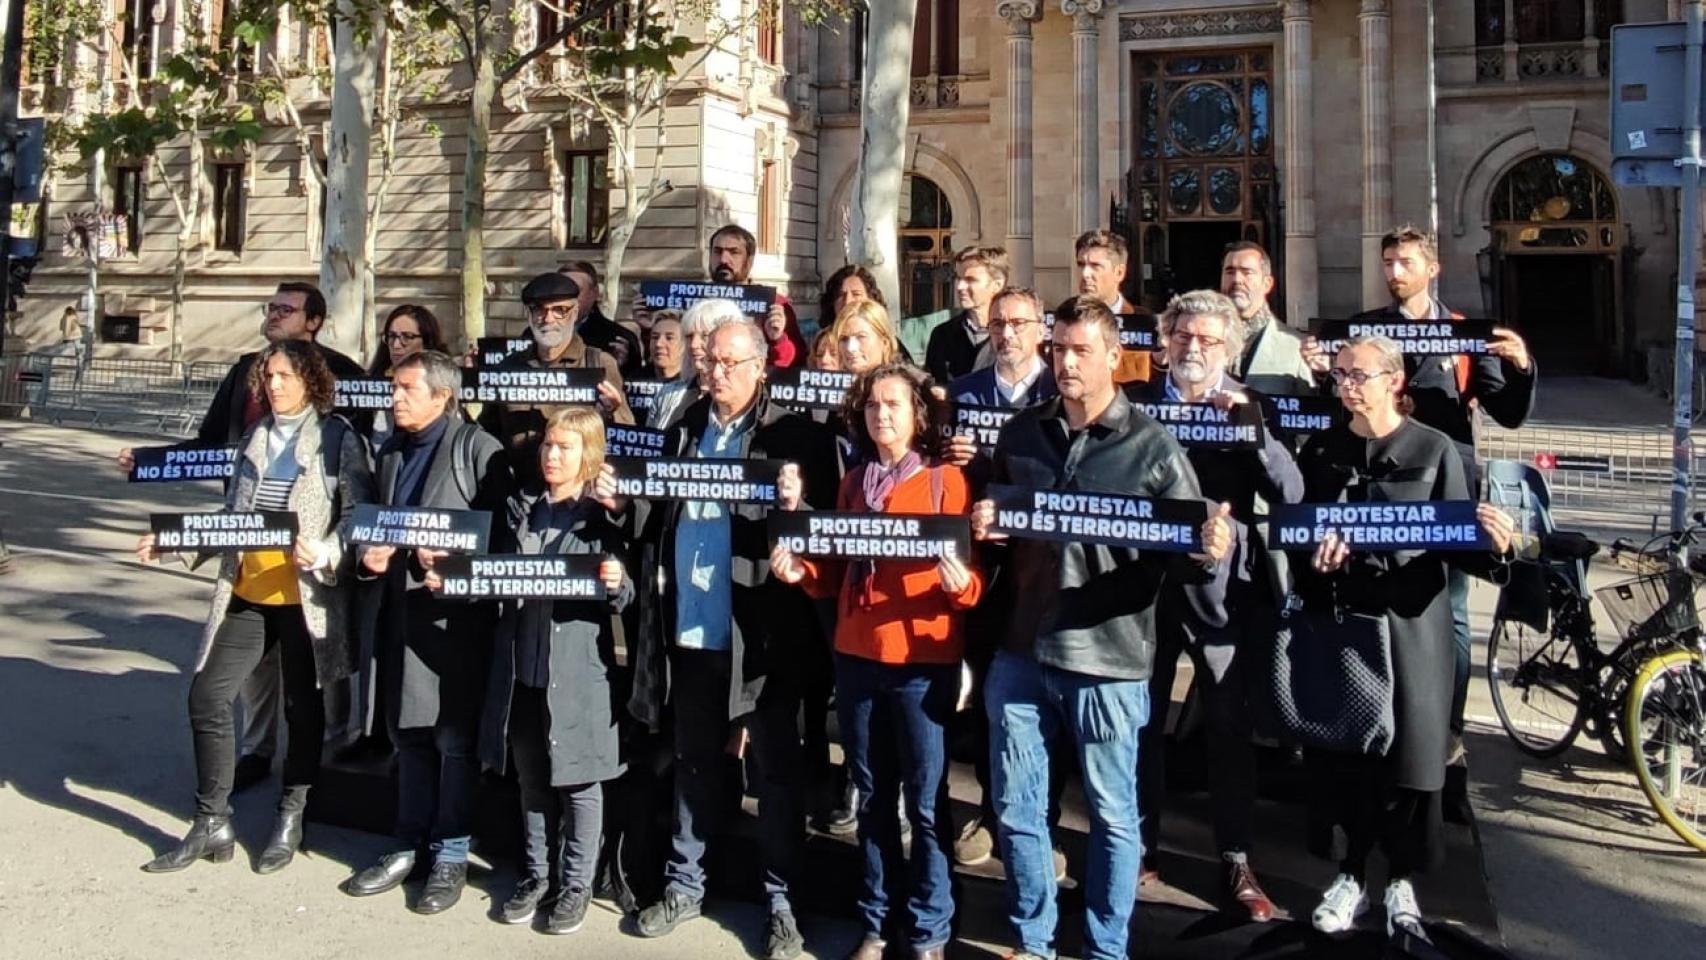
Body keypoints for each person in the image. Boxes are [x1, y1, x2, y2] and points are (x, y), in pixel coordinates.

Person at [969, 297, 1232, 960]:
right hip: (1023, 649)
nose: (1065, 362)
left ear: (1115, 356)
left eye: (1080, 350)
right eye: (1057, 348)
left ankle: (1106, 946)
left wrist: (1211, 545)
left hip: (1109, 659)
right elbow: (1001, 531)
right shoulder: (1022, 433)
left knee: (1115, 816)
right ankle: (1033, 939)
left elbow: (1191, 550)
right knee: (1019, 811)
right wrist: (987, 531)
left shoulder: (1151, 445)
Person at [1302, 224, 1535, 822]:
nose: (1395, 271)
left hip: (1445, 483)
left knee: (1447, 617)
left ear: (1432, 268)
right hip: (1379, 484)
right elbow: (1341, 403)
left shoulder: (1461, 336)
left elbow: (1505, 411)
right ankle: (1366, 723)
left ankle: (1444, 736)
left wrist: (1520, 366)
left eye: (1406, 261)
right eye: (1388, 261)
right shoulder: (1366, 331)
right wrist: (1320, 372)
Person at [626, 319, 839, 960]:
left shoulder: (795, 437)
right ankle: (685, 883)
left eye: (728, 363)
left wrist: (797, 512)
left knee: (775, 774)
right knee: (695, 761)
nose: (715, 374)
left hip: (762, 636)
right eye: (710, 363)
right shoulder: (686, 429)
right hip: (691, 628)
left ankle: (780, 901)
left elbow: (827, 537)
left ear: (759, 367)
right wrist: (618, 498)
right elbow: (651, 512)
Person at [1294, 335, 1514, 940]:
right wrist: (1318, 560)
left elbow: (1458, 543)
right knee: (1344, 758)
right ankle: (1349, 874)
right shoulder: (1323, 448)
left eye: (1358, 375)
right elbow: (1297, 537)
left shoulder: (1435, 448)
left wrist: (1495, 542)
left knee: (1410, 760)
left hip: (1412, 630)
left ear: (1394, 381)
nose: (1346, 385)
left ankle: (1401, 880)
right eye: (1339, 375)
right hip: (1344, 628)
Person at [118, 281, 367, 798]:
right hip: (248, 558)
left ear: (314, 321)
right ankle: (254, 755)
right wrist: (149, 461)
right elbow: (214, 445)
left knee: (312, 685)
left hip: (311, 574)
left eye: (286, 309)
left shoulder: (345, 384)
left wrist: (332, 550)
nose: (271, 385)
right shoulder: (243, 375)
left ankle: (319, 772)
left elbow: (359, 479)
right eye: (271, 307)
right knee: (243, 677)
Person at [771, 362, 982, 960]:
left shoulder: (947, 482)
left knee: (925, 799)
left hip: (922, 659)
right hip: (858, 656)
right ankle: (877, 919)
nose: (881, 415)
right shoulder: (853, 482)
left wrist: (960, 583)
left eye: (893, 404)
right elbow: (832, 574)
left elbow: (973, 587)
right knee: (871, 795)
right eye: (871, 407)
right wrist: (801, 571)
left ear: (918, 415)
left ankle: (931, 927)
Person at [1126, 290, 1303, 921]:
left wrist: (1252, 429)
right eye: (1182, 338)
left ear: (1227, 348)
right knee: (1140, 723)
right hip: (1146, 592)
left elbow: (1290, 491)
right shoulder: (1138, 405)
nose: (1192, 349)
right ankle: (1140, 848)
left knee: (1229, 728)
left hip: (1225, 598)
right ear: (1164, 344)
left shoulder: (1246, 408)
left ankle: (1234, 857)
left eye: (1206, 340)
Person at [344, 350, 514, 914]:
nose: (394, 398)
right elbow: (372, 522)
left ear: (443, 396)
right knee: (408, 736)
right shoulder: (389, 453)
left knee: (453, 742)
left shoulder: (476, 451)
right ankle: (406, 843)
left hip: (456, 624)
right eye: (394, 388)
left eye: (406, 389)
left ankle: (451, 854)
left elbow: (504, 544)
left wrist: (456, 562)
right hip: (399, 616)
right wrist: (369, 558)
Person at [455, 406, 632, 934]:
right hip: (521, 670)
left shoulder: (603, 516)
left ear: (589, 456)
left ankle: (576, 884)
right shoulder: (521, 508)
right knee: (532, 781)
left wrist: (616, 578)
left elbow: (625, 595)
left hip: (576, 673)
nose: (552, 455)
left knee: (579, 785)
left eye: (566, 448)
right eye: (548, 445)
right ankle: (537, 876)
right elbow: (490, 573)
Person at [942, 286, 1056, 869]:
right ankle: (990, 808)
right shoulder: (962, 394)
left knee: (1048, 697)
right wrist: (958, 458)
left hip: (1045, 566)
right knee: (992, 690)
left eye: (1018, 323)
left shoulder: (1058, 393)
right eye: (997, 324)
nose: (1007, 334)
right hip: (985, 563)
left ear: (1041, 328)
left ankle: (1047, 822)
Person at [478, 272, 633, 489]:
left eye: (559, 310)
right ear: (528, 315)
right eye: (539, 310)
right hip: (518, 493)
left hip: (577, 499)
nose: (548, 319)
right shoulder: (509, 367)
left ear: (575, 312)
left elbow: (628, 438)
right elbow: (487, 433)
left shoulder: (598, 363)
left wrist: (613, 411)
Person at [1219, 241, 1315, 397]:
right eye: (1230, 272)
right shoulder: (1196, 340)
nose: (1237, 279)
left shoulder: (1297, 346)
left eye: (1247, 272)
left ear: (1267, 283)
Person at [367, 304, 451, 451]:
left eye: (407, 337)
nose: (396, 345)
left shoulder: (445, 382)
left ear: (427, 341)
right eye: (391, 337)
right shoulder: (372, 385)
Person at [1074, 230, 1152, 387]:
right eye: (1081, 265)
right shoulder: (1063, 320)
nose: (1085, 274)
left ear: (1119, 272)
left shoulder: (1144, 323)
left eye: (1096, 266)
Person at [924, 246, 1007, 385]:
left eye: (971, 280)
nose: (960, 286)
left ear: (996, 285)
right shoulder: (942, 335)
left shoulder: (1013, 335)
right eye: (958, 278)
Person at [649, 299, 735, 430]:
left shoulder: (745, 397)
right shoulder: (666, 394)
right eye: (689, 336)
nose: (694, 345)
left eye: (705, 335)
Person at [561, 260, 644, 377]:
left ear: (594, 293)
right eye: (564, 290)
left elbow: (635, 386)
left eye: (577, 290)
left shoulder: (619, 338)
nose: (569, 296)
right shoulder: (534, 334)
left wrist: (620, 367)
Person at [835, 299, 903, 377]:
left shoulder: (906, 385)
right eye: (844, 339)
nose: (850, 348)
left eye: (860, 337)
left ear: (885, 343)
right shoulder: (831, 384)